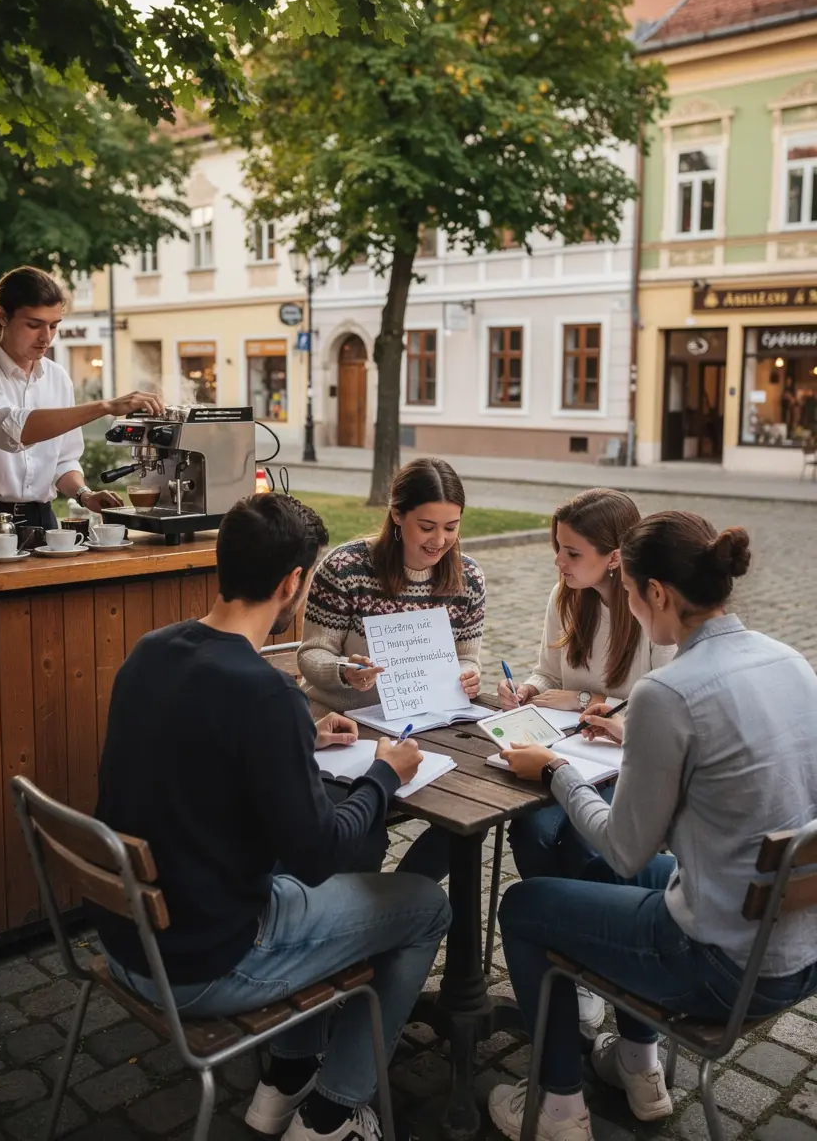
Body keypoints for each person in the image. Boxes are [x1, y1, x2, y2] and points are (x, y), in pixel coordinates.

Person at [93, 490, 450, 1141]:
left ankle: (286, 1079)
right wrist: (383, 772)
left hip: (127, 940)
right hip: (207, 963)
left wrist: (303, 739)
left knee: (331, 882)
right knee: (425, 905)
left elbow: (196, 750)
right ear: (293, 582)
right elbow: (319, 855)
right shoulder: (264, 693)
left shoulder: (150, 652)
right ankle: (333, 1111)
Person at [488, 512, 817, 1141]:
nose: (635, 612)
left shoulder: (668, 692)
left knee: (526, 905)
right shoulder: (790, 661)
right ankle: (638, 1064)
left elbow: (622, 845)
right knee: (632, 878)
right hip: (799, 942)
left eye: (635, 598)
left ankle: (558, 1109)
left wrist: (556, 770)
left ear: (656, 593)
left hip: (722, 965)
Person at [496, 489, 674, 1037]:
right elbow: (550, 671)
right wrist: (528, 687)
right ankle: (578, 964)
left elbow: (657, 698)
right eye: (558, 548)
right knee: (527, 826)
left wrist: (577, 702)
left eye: (572, 552)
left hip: (618, 760)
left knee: (581, 840)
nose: (559, 561)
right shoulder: (565, 596)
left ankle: (578, 966)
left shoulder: (649, 611)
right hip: (563, 749)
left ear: (615, 556)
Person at [298, 456, 485, 880]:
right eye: (427, 526)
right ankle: (370, 914)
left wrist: (469, 675)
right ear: (397, 515)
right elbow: (311, 655)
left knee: (469, 816)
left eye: (451, 527)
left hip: (426, 724)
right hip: (344, 728)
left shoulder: (468, 577)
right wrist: (345, 669)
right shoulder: (346, 568)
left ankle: (402, 899)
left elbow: (468, 655)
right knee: (364, 834)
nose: (440, 540)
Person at [0, 266, 164, 530]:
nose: (46, 337)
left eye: (54, 325)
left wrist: (85, 494)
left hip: (44, 521)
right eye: (34, 325)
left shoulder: (57, 377)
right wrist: (105, 406)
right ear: (2, 316)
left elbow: (64, 459)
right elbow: (15, 430)